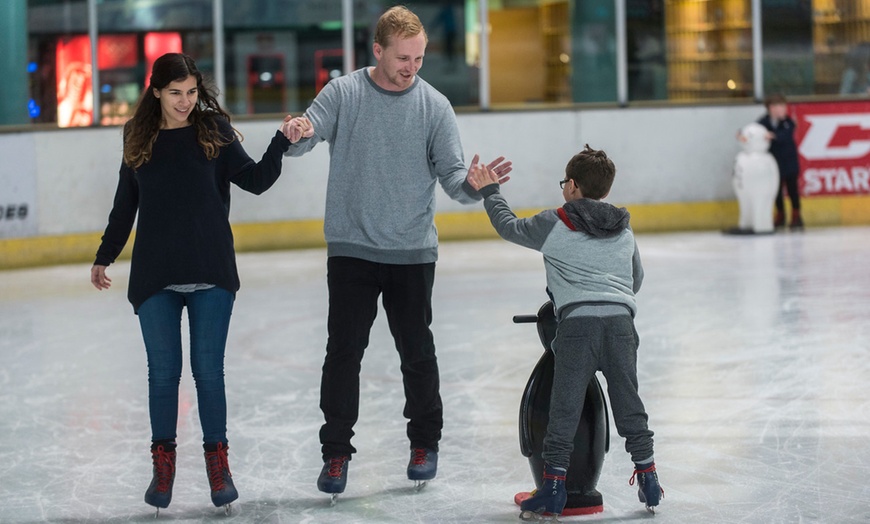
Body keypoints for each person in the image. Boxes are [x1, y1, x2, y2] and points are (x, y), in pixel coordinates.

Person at [280, 5, 512, 496]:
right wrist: (295, 133)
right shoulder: (344, 93)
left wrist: (474, 186)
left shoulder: (435, 107)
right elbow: (308, 132)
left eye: (420, 58)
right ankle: (336, 453)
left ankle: (424, 443)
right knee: (343, 353)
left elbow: (453, 179)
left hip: (411, 251)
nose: (412, 67)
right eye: (404, 57)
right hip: (351, 249)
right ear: (378, 51)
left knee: (417, 353)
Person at [90, 52, 305, 515]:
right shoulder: (138, 135)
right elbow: (125, 203)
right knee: (163, 376)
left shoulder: (214, 130)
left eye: (191, 92)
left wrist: (280, 143)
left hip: (211, 270)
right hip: (155, 275)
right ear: (155, 93)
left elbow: (255, 180)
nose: (185, 102)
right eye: (175, 93)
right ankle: (162, 467)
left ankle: (218, 466)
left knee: (208, 374)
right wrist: (105, 254)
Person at [466, 145, 663, 518]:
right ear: (605, 188)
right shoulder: (623, 227)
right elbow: (635, 278)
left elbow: (509, 226)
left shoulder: (557, 221)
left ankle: (553, 489)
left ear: (572, 185)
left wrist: (490, 191)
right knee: (628, 402)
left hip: (578, 328)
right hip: (621, 325)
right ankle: (650, 481)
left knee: (564, 409)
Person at [757, 93, 803, 229]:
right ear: (769, 108)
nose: (779, 109)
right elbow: (753, 129)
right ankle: (780, 215)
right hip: (774, 164)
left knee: (792, 190)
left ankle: (796, 216)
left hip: (789, 163)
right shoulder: (764, 122)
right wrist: (742, 133)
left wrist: (774, 135)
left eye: (782, 106)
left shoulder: (789, 122)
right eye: (775, 106)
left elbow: (785, 136)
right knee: (776, 191)